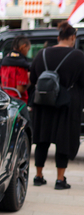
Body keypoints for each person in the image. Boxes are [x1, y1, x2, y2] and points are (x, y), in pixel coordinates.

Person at [29, 21, 84, 190]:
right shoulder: (79, 56)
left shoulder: (42, 54)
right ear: (73, 37)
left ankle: (38, 176)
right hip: (66, 105)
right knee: (64, 141)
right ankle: (60, 180)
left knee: (42, 140)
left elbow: (33, 79)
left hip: (43, 103)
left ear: (58, 37)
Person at [0, 36, 31, 103]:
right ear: (24, 46)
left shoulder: (4, 62)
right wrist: (30, 79)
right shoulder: (21, 65)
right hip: (18, 103)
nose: (27, 52)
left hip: (5, 99)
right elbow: (20, 89)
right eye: (28, 49)